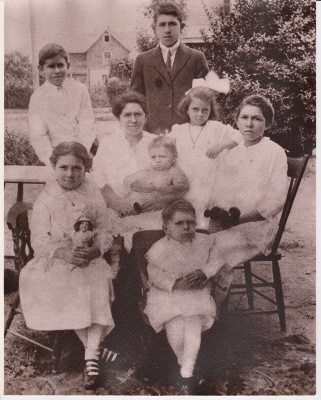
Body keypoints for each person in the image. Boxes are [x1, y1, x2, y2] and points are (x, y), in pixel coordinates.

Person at [19, 142, 117, 390]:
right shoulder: (47, 197)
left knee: (95, 282)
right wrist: (64, 254)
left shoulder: (93, 192)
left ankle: (90, 358)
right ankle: (94, 351)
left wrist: (96, 249)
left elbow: (105, 230)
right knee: (65, 284)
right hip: (57, 257)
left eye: (77, 168)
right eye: (63, 168)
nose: (70, 174)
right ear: (53, 166)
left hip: (88, 255)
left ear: (86, 168)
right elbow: (39, 238)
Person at [190, 94, 289, 308]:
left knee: (212, 249)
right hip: (228, 225)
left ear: (267, 123)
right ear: (237, 121)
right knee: (195, 243)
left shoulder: (275, 153)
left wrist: (238, 221)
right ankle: (195, 306)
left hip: (256, 227)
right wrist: (215, 217)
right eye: (244, 117)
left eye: (257, 119)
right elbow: (217, 191)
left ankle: (210, 308)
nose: (249, 124)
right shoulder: (231, 152)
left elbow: (275, 201)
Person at [92, 92, 188, 250]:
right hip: (115, 208)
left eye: (138, 114)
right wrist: (117, 203)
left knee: (149, 241)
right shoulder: (108, 143)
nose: (133, 120)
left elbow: (175, 177)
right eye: (127, 115)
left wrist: (161, 200)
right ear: (118, 118)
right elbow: (99, 179)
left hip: (151, 209)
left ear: (146, 116)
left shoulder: (157, 143)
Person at [143, 200, 217, 381]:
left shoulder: (204, 242)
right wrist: (174, 284)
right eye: (179, 223)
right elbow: (153, 274)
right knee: (175, 327)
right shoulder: (160, 249)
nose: (186, 227)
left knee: (193, 324)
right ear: (166, 228)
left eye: (191, 222)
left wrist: (204, 272)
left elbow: (217, 260)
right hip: (168, 296)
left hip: (196, 294)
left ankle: (188, 368)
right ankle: (183, 360)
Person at [170, 86, 242, 227]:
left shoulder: (215, 127)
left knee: (202, 218)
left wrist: (221, 146)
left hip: (206, 183)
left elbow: (239, 136)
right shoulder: (179, 130)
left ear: (211, 111)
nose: (200, 114)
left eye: (205, 110)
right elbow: (164, 146)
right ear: (187, 109)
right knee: (182, 217)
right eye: (195, 109)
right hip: (184, 183)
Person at [130, 2, 209, 133]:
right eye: (162, 24)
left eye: (172, 24)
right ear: (154, 28)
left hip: (188, 133)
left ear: (181, 27)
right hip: (153, 133)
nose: (167, 29)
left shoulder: (196, 58)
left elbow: (205, 100)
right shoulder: (143, 60)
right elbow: (135, 101)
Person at [28, 43, 98, 166]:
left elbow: (87, 124)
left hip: (82, 156)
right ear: (41, 69)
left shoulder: (80, 90)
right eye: (51, 66)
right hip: (55, 160)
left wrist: (80, 156)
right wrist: (55, 163)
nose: (57, 71)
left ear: (68, 65)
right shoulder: (37, 98)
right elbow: (38, 136)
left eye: (60, 65)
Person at [123, 135, 189, 212]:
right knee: (129, 201)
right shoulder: (148, 170)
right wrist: (136, 185)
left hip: (158, 206)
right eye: (153, 157)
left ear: (173, 158)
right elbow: (127, 179)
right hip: (137, 201)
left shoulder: (174, 171)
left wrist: (168, 189)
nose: (157, 160)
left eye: (162, 156)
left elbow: (184, 186)